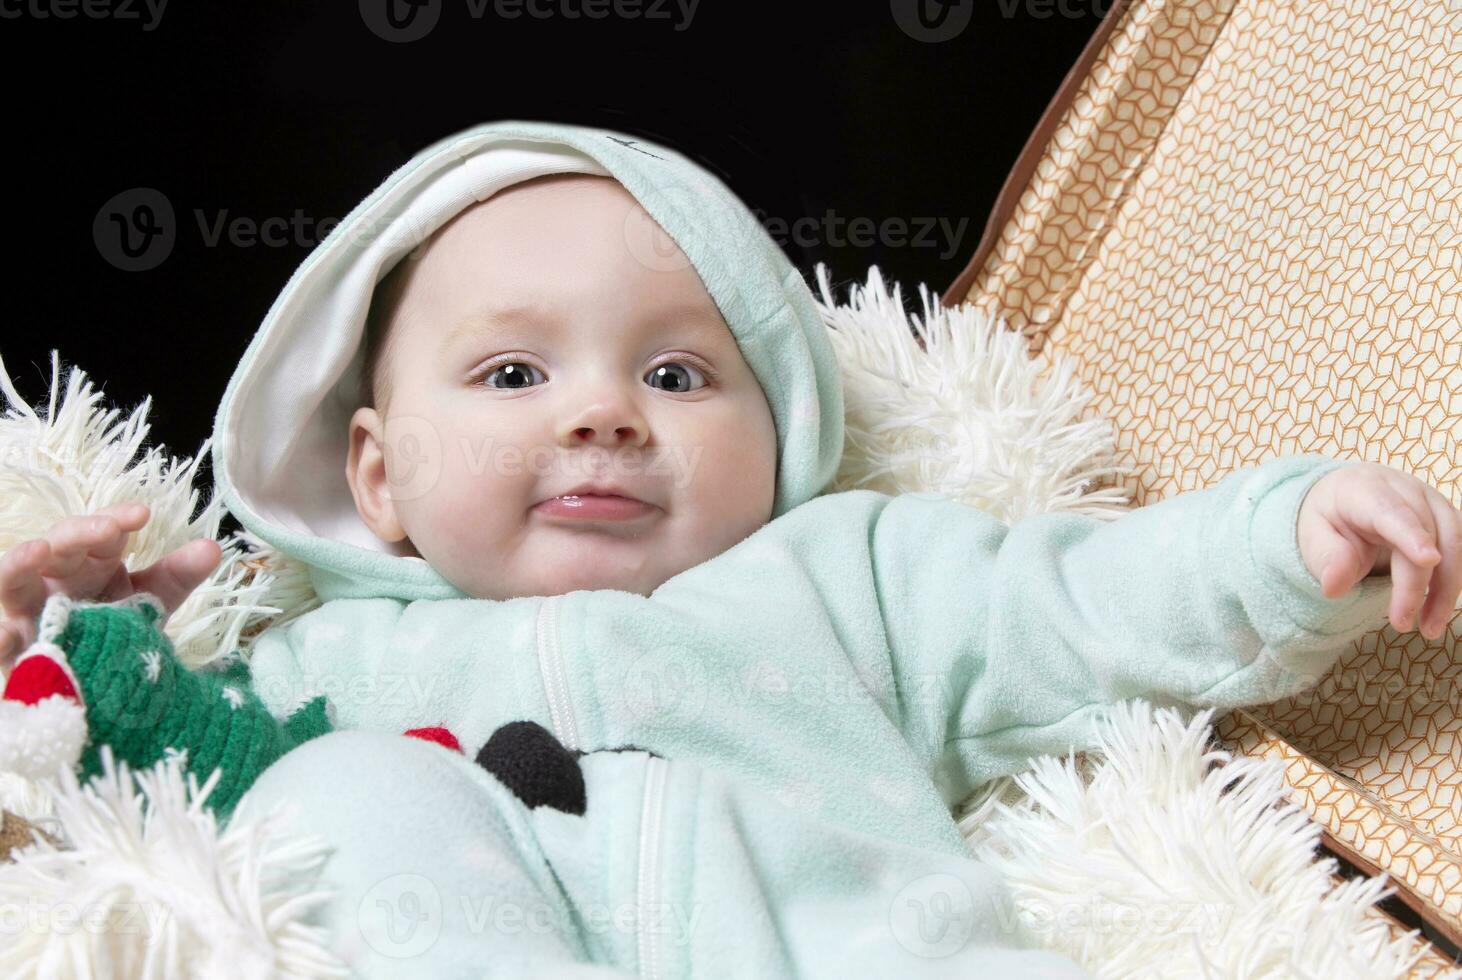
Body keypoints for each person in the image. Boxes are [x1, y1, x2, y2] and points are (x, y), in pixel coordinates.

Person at [1, 121, 1457, 978]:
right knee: (336, 791)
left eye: (679, 377)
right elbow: (135, 838)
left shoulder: (847, 576)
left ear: (781, 433)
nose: (601, 416)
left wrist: (1279, 539)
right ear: (377, 477)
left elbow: (1077, 602)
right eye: (511, 376)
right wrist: (62, 666)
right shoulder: (321, 666)